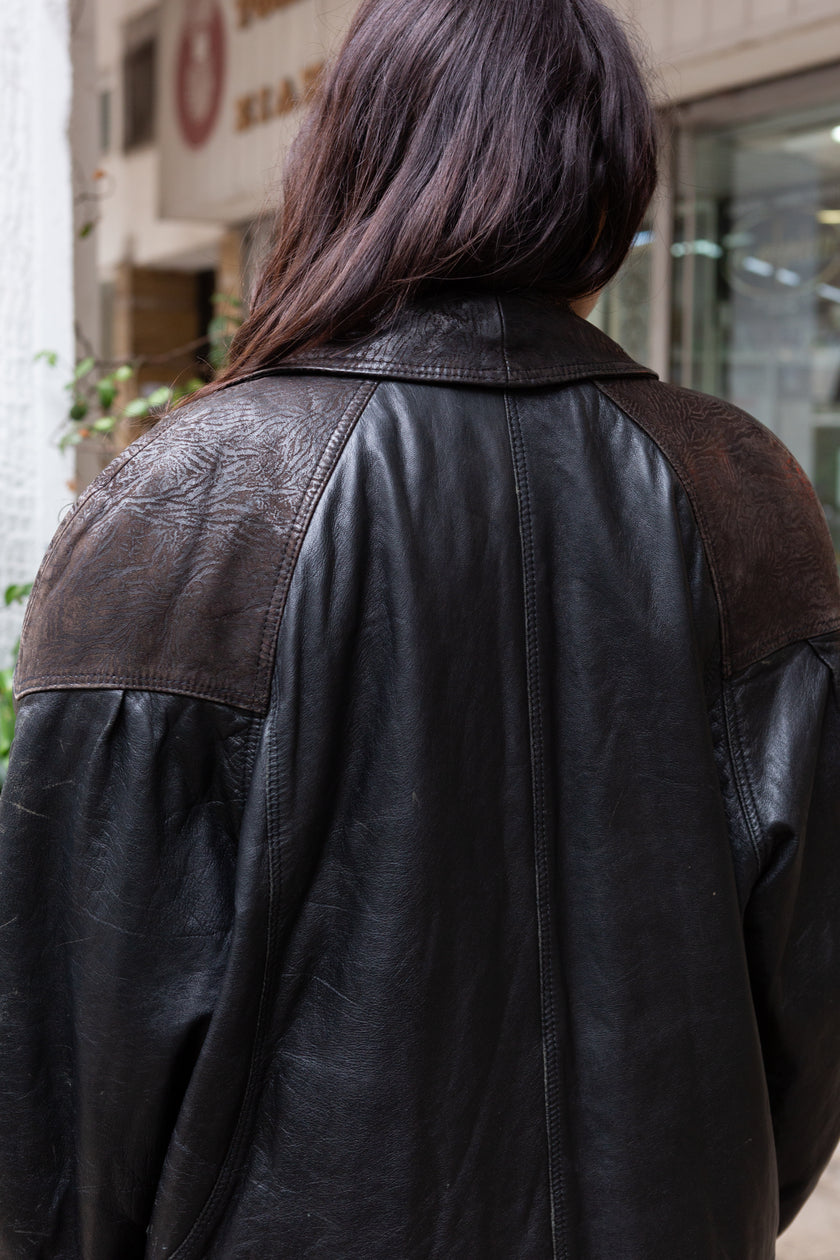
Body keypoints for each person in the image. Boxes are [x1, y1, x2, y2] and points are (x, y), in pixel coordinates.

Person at [2, 0, 840, 1255]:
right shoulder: (745, 494)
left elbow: (66, 1067)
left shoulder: (184, 502)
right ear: (610, 180)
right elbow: (810, 1002)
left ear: (348, 164)